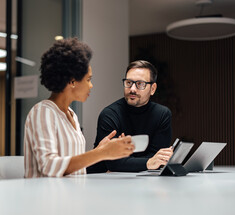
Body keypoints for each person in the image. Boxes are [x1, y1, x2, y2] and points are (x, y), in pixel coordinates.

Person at [24, 38, 135, 178]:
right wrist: (101, 153)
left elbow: (73, 163)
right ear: (72, 81)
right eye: (88, 80)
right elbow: (49, 167)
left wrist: (101, 150)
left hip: (71, 195)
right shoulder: (42, 112)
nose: (91, 85)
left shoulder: (72, 115)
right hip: (47, 197)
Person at [87, 60, 173, 173]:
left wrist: (130, 162)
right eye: (128, 83)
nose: (132, 89)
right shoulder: (109, 114)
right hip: (105, 181)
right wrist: (148, 162)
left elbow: (158, 159)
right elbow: (113, 163)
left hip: (147, 181)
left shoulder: (162, 114)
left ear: (152, 89)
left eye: (140, 84)